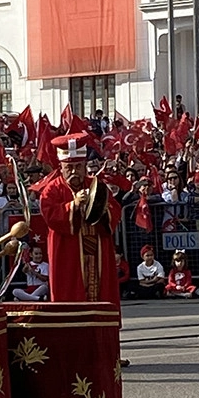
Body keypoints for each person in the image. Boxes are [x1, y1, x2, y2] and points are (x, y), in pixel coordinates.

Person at [39, 132, 122, 308]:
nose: (74, 172)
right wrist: (73, 205)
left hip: (96, 250)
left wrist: (103, 208)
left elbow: (114, 210)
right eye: (69, 168)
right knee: (69, 295)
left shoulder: (96, 185)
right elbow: (50, 215)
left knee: (101, 293)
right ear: (61, 167)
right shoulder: (51, 190)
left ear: (85, 166)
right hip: (69, 253)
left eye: (78, 167)